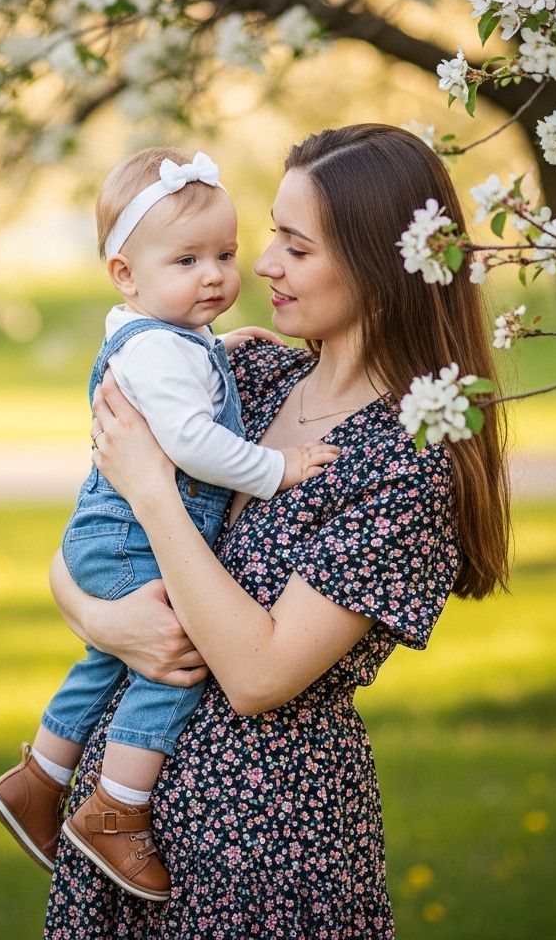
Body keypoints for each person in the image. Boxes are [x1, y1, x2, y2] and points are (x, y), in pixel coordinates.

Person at [42, 124, 511, 939]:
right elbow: (82, 548)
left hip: (264, 846)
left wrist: (156, 496)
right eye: (271, 238)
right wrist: (106, 622)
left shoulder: (406, 465)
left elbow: (259, 675)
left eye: (295, 247)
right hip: (122, 832)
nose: (260, 266)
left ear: (377, 265)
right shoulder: (249, 378)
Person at [0, 147, 338, 900]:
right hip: (128, 538)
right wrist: (278, 469)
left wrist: (219, 352)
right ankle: (117, 807)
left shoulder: (166, 339)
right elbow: (193, 443)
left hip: (107, 537)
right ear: (126, 274)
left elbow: (185, 386)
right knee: (180, 651)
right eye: (187, 260)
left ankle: (39, 779)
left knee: (107, 658)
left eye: (224, 254)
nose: (216, 275)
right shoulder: (160, 353)